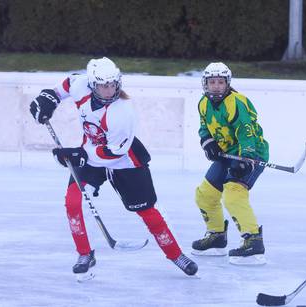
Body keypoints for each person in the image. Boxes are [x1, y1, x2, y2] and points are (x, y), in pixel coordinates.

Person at [29, 57, 197, 281]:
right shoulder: (81, 86)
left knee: (147, 210)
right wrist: (48, 98)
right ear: (92, 84)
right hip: (90, 158)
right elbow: (66, 85)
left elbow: (113, 152)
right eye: (103, 85)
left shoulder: (123, 112)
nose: (109, 90)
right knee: (72, 202)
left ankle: (175, 254)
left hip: (125, 162)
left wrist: (79, 155)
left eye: (112, 84)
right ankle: (84, 254)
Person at [191, 62, 269, 265]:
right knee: (205, 195)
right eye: (212, 82)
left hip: (251, 155)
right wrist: (207, 142)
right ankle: (216, 236)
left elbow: (247, 131)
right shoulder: (203, 103)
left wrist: (246, 159)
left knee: (233, 195)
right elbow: (204, 127)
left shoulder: (237, 103)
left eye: (220, 82)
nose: (216, 86)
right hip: (227, 155)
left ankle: (253, 241)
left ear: (227, 83)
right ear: (205, 84)